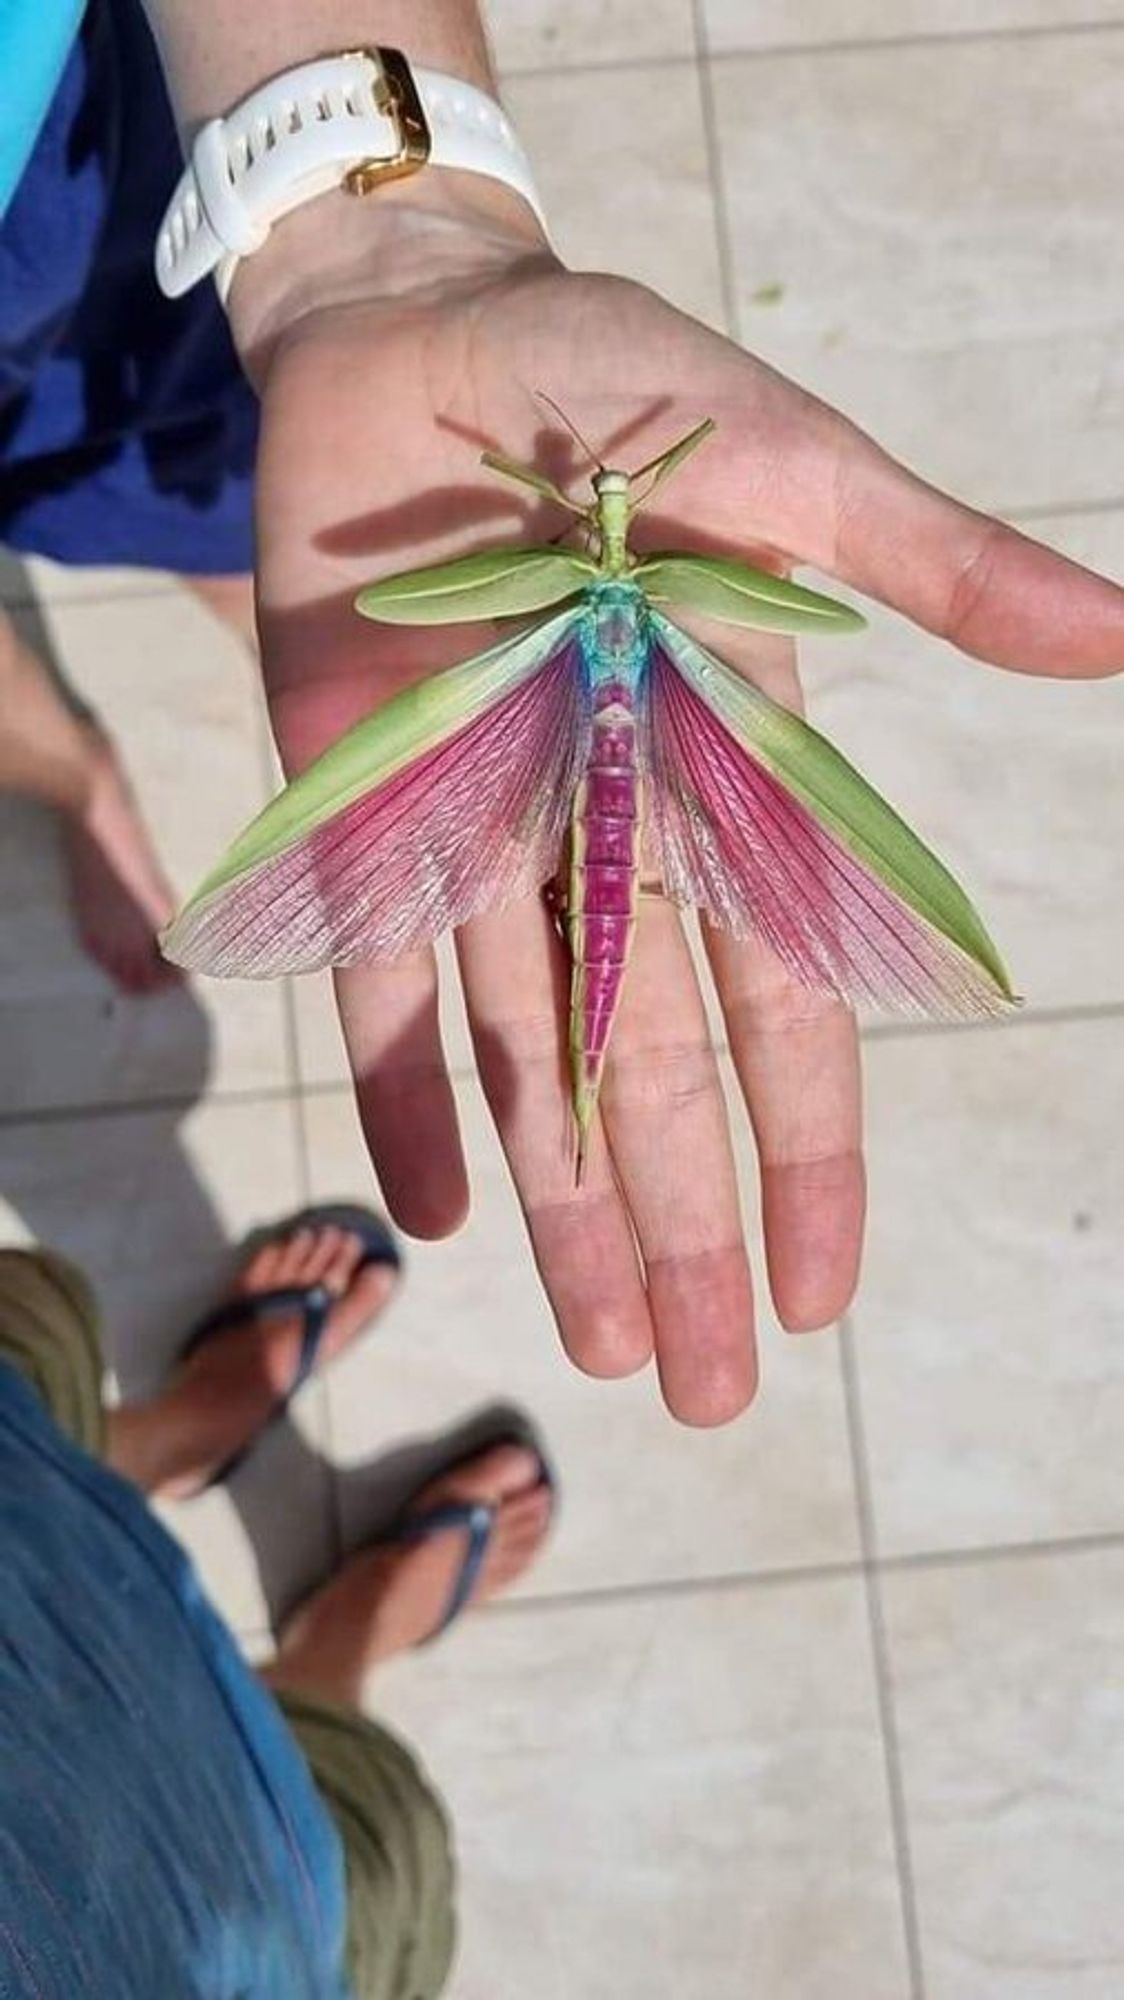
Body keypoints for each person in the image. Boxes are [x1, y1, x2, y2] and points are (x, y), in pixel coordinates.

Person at [3, 2, 1123, 1430]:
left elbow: (436, 598)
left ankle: (119, 711)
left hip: (68, 168)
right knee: (271, 547)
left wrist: (382, 235)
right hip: (85, 178)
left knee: (223, 491)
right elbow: (795, 614)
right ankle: (121, 711)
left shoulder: (566, 575)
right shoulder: (615, 580)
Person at [0, 1213, 555, 1997]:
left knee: (29, 1327)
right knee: (379, 1837)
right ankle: (345, 1631)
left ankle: (169, 1437)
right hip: (228, 1902)